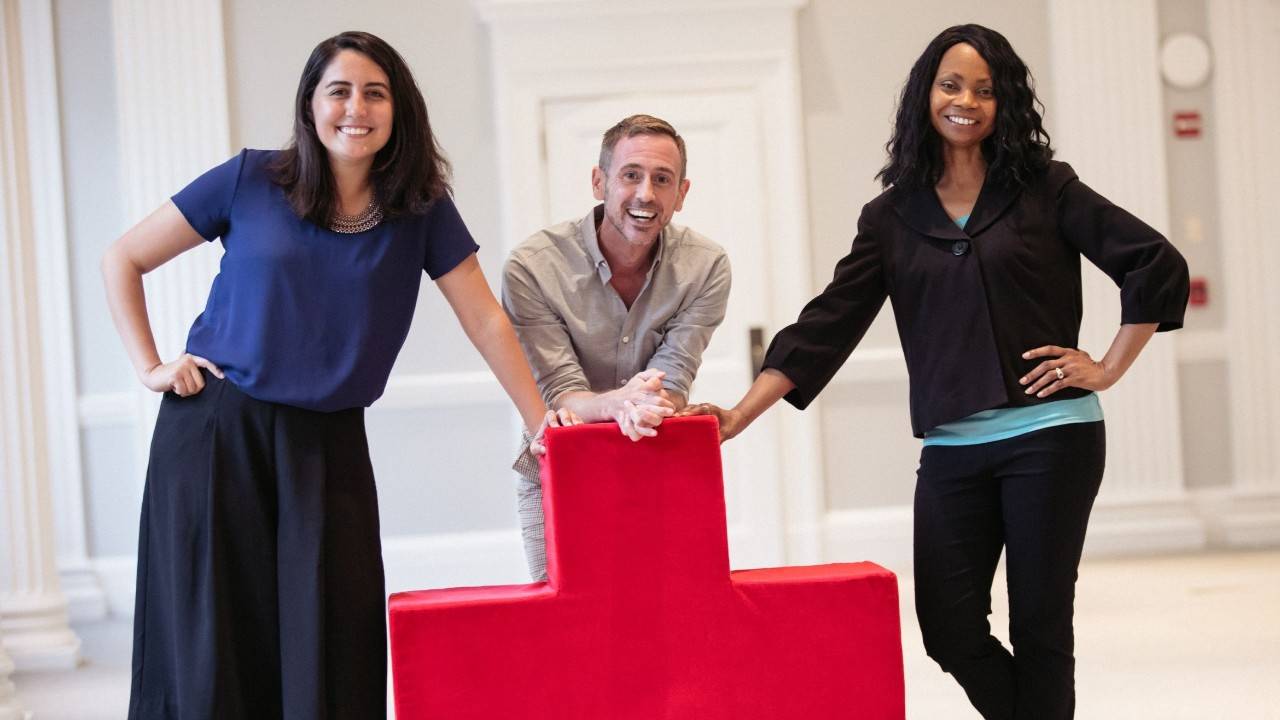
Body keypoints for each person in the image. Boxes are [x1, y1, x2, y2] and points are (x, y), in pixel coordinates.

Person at [683, 24, 1188, 720]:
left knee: (1040, 626)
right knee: (948, 629)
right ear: (926, 94)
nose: (967, 101)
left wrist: (1107, 367)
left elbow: (1153, 261)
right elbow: (828, 323)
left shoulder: (1047, 189)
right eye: (952, 85)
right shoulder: (891, 217)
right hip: (953, 451)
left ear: (1004, 103)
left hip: (1053, 439)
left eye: (985, 90)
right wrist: (741, 413)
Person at [102, 31, 567, 719]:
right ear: (311, 105)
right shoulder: (251, 179)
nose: (357, 108)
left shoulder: (421, 206)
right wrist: (149, 367)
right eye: (339, 91)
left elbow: (485, 320)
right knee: (212, 645)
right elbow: (124, 257)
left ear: (397, 108)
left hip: (328, 442)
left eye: (375, 93)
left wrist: (540, 421)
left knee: (329, 637)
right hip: (216, 431)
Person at [502, 114, 732, 580]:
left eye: (662, 179)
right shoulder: (533, 267)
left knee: (663, 618)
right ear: (598, 181)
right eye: (631, 175)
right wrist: (621, 402)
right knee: (565, 622)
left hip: (655, 451)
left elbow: (674, 377)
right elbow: (560, 391)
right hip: (560, 459)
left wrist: (639, 403)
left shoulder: (706, 266)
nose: (646, 194)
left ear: (681, 194)